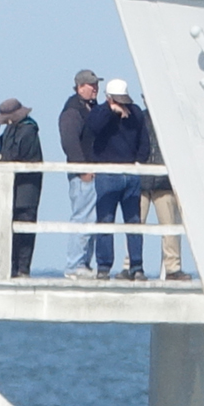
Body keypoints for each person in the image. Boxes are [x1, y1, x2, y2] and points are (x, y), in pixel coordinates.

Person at [83, 78, 148, 280]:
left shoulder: (135, 112)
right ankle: (104, 267)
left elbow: (144, 141)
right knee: (105, 220)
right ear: (109, 98)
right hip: (107, 174)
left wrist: (138, 162)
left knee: (133, 222)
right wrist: (111, 112)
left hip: (130, 175)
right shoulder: (99, 112)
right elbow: (93, 128)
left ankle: (137, 266)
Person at [58, 70, 101, 279]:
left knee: (92, 219)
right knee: (83, 217)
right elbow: (69, 142)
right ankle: (75, 264)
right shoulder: (72, 111)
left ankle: (83, 263)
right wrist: (82, 168)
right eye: (90, 84)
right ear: (79, 86)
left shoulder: (90, 108)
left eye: (95, 84)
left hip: (94, 172)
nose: (95, 88)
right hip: (83, 174)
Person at [0, 97, 43, 277]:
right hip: (12, 188)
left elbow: (16, 155)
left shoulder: (28, 130)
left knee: (25, 226)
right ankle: (12, 266)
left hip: (27, 188)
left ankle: (22, 268)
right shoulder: (11, 128)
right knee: (11, 227)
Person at [138, 109, 188, 282]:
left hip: (164, 181)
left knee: (170, 226)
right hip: (142, 180)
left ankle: (172, 268)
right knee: (136, 225)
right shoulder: (138, 118)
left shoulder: (171, 118)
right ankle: (132, 266)